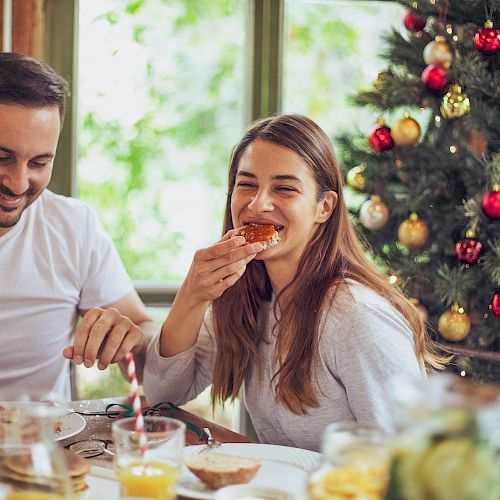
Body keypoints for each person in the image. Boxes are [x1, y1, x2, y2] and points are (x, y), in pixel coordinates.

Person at [143, 114, 445, 451]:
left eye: (284, 188)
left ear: (324, 208)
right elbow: (163, 395)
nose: (258, 204)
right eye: (246, 184)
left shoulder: (356, 317)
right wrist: (192, 296)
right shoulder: (251, 298)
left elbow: (409, 464)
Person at [0, 52, 156, 400]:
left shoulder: (73, 226)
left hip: (43, 449)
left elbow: (143, 338)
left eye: (39, 162)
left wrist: (130, 336)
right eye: (1, 158)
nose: (18, 182)